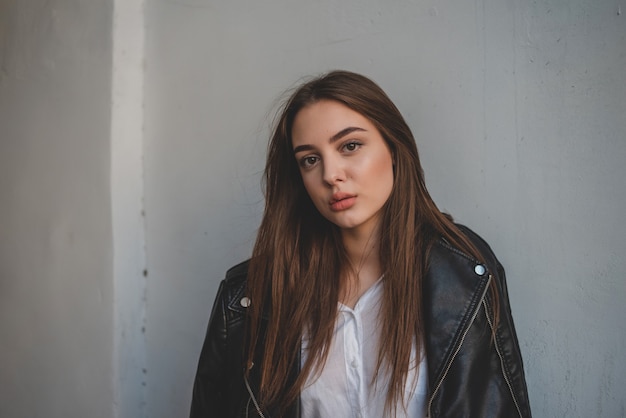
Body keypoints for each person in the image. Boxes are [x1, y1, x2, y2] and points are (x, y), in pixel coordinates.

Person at [190, 70, 532, 418]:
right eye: (310, 159)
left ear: (394, 148)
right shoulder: (250, 296)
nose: (330, 174)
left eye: (350, 146)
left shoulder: (463, 274)